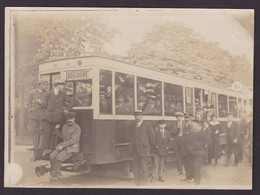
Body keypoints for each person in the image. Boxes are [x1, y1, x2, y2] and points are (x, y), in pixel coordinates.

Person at [40, 80, 74, 155]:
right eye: (62, 85)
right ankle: (45, 149)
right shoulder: (48, 93)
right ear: (57, 85)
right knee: (47, 133)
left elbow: (71, 101)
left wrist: (67, 109)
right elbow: (43, 103)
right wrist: (47, 108)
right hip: (49, 116)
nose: (63, 86)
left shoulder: (63, 94)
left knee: (55, 133)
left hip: (58, 117)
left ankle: (52, 149)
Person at [49, 112, 81, 180]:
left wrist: (63, 145)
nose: (69, 120)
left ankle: (54, 175)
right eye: (68, 119)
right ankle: (58, 173)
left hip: (72, 148)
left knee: (59, 157)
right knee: (52, 155)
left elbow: (74, 141)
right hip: (63, 146)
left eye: (71, 119)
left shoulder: (77, 128)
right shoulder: (65, 126)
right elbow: (62, 137)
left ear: (74, 119)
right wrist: (57, 130)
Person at [128, 111, 156, 185]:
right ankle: (137, 183)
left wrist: (149, 150)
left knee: (144, 168)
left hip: (144, 150)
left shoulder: (147, 125)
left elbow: (152, 138)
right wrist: (130, 150)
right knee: (135, 168)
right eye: (135, 116)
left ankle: (144, 184)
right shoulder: (133, 125)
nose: (137, 117)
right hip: (135, 151)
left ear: (142, 116)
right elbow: (131, 138)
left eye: (139, 116)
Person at [27, 81, 49, 154]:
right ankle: (34, 146)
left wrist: (41, 102)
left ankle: (40, 147)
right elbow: (28, 103)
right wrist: (31, 109)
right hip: (34, 114)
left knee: (42, 130)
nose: (46, 86)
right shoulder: (32, 93)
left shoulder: (48, 93)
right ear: (40, 85)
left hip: (42, 115)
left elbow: (48, 104)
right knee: (33, 130)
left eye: (47, 85)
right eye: (45, 85)